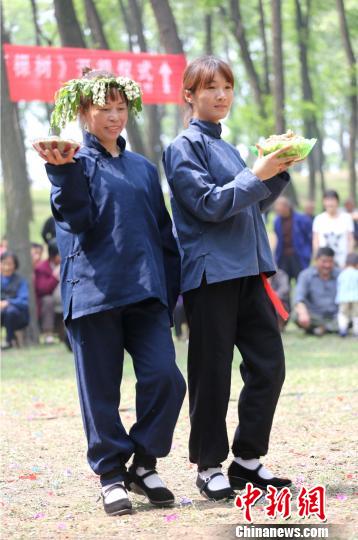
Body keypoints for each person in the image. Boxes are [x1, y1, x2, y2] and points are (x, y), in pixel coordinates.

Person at [35, 68, 186, 516]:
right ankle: (110, 475)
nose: (115, 117)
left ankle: (143, 463)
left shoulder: (142, 168)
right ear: (84, 111)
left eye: (121, 108)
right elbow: (75, 219)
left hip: (145, 295)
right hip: (95, 295)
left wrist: (168, 292)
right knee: (100, 391)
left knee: (166, 379)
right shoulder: (72, 161)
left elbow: (163, 234)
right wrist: (60, 173)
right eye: (105, 109)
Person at [163, 55, 296, 501]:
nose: (221, 95)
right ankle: (208, 465)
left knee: (269, 366)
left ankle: (247, 461)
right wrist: (255, 174)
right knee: (211, 373)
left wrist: (275, 172)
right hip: (210, 276)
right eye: (210, 88)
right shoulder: (183, 147)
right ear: (189, 95)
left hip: (248, 270)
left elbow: (247, 204)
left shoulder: (228, 146)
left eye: (227, 87)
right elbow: (208, 204)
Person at [293, 247, 339, 335]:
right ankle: (329, 328)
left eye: (330, 261)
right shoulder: (305, 275)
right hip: (315, 316)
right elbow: (299, 297)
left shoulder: (340, 275)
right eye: (324, 261)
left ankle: (322, 329)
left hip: (336, 316)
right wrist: (303, 312)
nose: (327, 265)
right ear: (316, 260)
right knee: (296, 315)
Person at [273, 196, 312, 285]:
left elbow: (309, 238)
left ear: (287, 207)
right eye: (277, 210)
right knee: (284, 285)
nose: (278, 212)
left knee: (302, 283)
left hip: (299, 257)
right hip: (283, 258)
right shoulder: (277, 221)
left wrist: (307, 253)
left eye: (280, 210)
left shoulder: (302, 220)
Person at [313, 190, 354, 267]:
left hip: (342, 260)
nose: (330, 203)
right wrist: (317, 257)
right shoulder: (318, 219)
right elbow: (316, 240)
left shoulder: (346, 218)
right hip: (324, 261)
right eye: (327, 200)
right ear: (323, 202)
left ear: (337, 202)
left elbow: (350, 240)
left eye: (332, 200)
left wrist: (349, 259)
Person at [34, 239, 61, 344]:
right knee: (47, 300)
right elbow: (43, 289)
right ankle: (48, 333)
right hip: (49, 305)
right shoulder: (42, 268)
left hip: (64, 303)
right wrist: (55, 276)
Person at [0, 251, 29, 349]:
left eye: (10, 264)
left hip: (18, 316)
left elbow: (24, 302)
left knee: (10, 311)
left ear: (15, 265)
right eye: (4, 264)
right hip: (2, 314)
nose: (6, 267)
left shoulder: (21, 281)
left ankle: (9, 341)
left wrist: (8, 302)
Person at [335, 253, 358, 337]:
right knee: (356, 315)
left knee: (343, 314)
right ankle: (356, 331)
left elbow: (338, 286)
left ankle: (343, 329)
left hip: (343, 298)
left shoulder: (342, 274)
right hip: (356, 298)